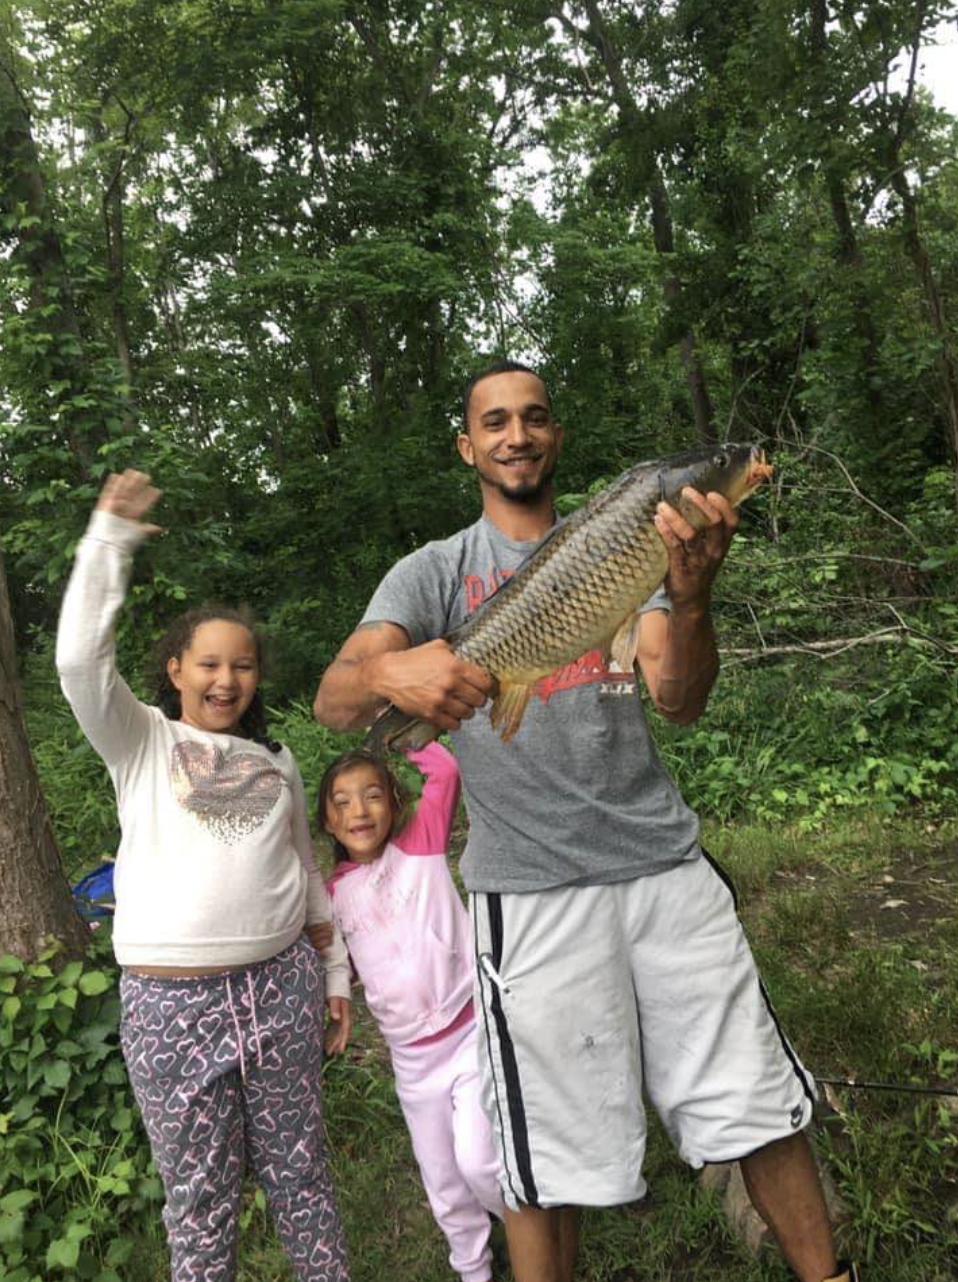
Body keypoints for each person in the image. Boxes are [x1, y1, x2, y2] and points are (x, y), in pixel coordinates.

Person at [313, 362, 859, 1282]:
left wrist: (690, 596)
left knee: (756, 1103)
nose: (516, 435)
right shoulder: (433, 572)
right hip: (530, 894)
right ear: (468, 445)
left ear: (555, 435)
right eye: (495, 422)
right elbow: (335, 699)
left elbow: (678, 697)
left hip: (664, 870)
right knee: (545, 1153)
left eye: (533, 418)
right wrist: (385, 676)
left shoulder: (632, 536)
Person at [57, 469, 352, 1282]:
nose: (228, 681)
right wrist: (109, 538)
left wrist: (333, 973)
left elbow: (304, 871)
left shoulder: (277, 762)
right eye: (210, 665)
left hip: (280, 990)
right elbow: (81, 662)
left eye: (245, 666)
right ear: (177, 670)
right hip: (170, 1006)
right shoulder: (141, 743)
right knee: (199, 1198)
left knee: (303, 1181)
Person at [319, 741, 503, 1282]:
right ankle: (474, 1268)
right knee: (444, 1180)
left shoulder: (420, 845)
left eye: (373, 796)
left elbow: (445, 769)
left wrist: (394, 732)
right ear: (328, 822)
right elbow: (342, 965)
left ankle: (529, 1222)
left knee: (477, 1161)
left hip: (470, 1035)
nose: (360, 811)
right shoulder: (331, 893)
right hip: (413, 1064)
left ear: (395, 804)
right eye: (343, 802)